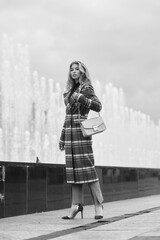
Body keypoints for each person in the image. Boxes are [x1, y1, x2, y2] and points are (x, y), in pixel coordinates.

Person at [59, 61, 104, 220]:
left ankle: (98, 205)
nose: (74, 71)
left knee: (87, 168)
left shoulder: (86, 87)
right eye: (71, 69)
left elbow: (98, 106)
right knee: (73, 171)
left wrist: (81, 98)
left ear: (83, 71)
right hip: (70, 135)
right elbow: (67, 117)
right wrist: (62, 136)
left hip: (81, 133)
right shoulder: (69, 90)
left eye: (77, 69)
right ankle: (75, 206)